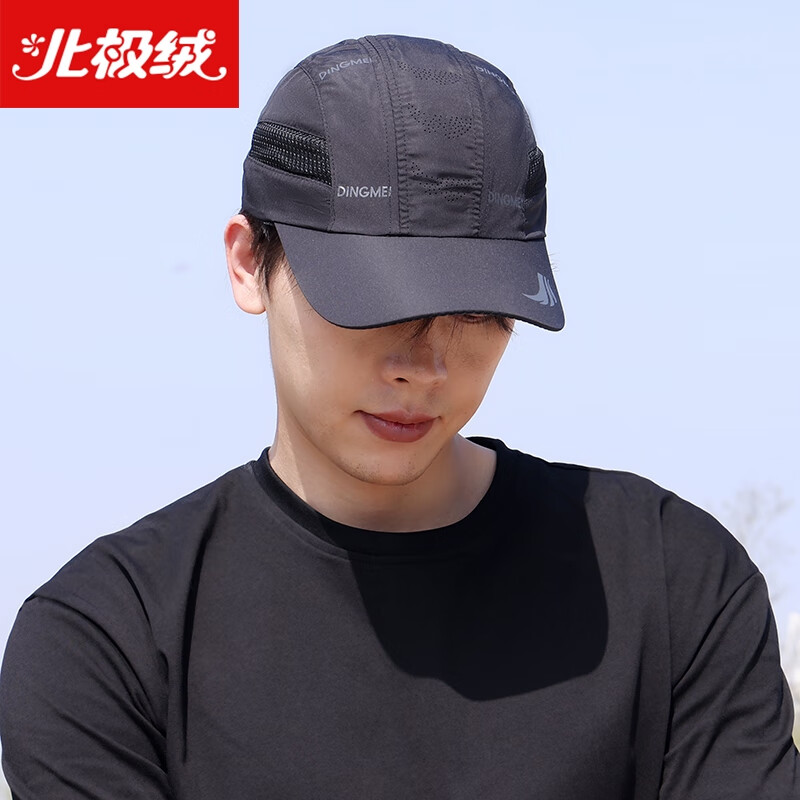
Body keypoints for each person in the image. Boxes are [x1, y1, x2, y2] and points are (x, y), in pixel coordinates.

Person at [0, 34, 797, 800]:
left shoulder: (672, 584)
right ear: (249, 263)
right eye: (374, 300)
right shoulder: (108, 641)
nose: (425, 364)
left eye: (477, 310)